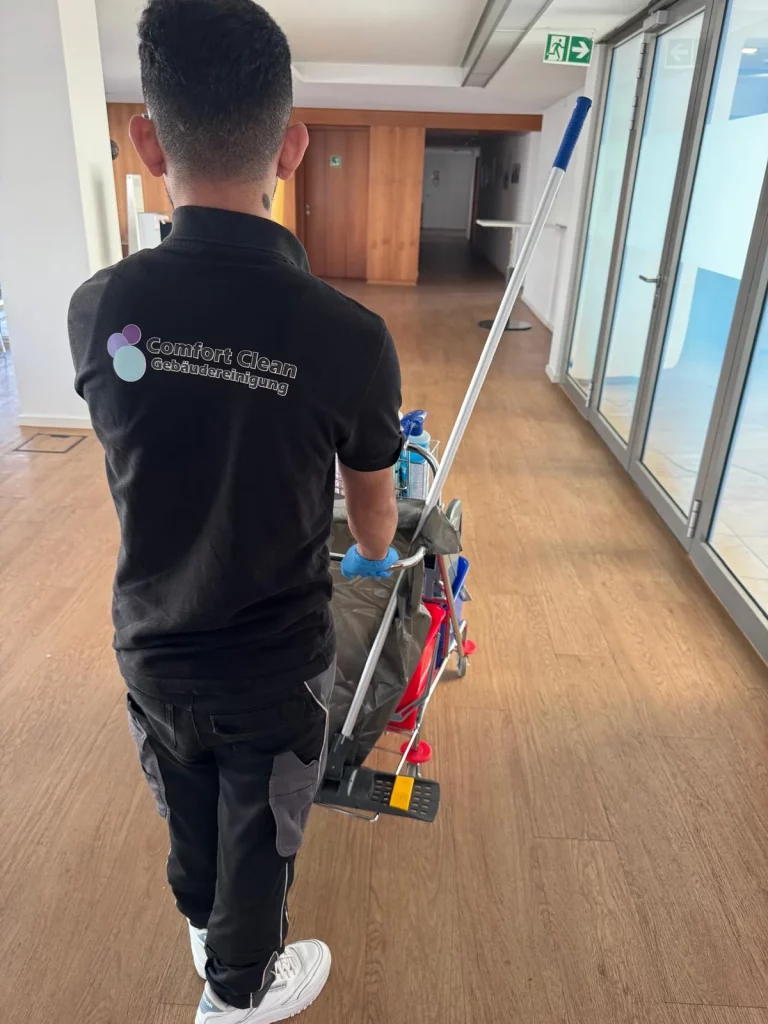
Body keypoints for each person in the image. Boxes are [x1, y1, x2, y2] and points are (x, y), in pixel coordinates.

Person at [67, 2, 403, 1021]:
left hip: (153, 643)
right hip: (272, 668)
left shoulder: (97, 309)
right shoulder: (350, 337)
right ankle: (238, 991)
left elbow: (147, 450)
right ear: (290, 149)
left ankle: (200, 926)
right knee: (262, 836)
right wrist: (353, 527)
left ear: (146, 142)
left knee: (187, 802)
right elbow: (377, 529)